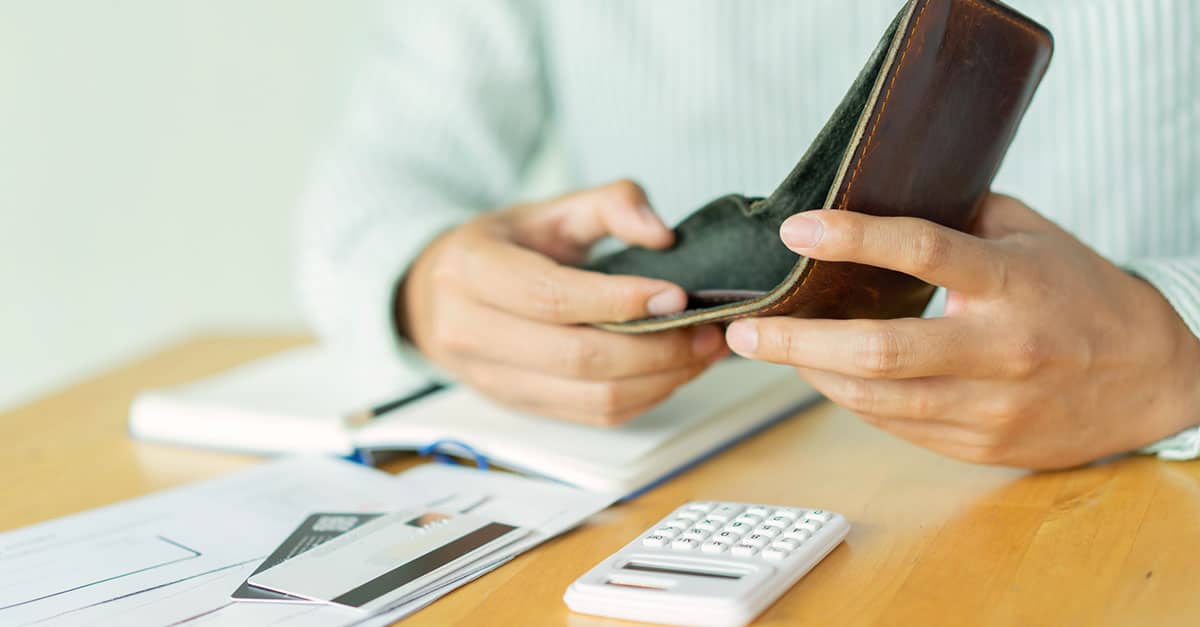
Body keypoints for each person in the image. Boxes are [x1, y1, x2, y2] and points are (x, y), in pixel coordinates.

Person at [296, 1, 1200, 469]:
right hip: (669, 478)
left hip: (1144, 490)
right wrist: (427, 283)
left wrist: (1177, 352)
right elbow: (373, 192)